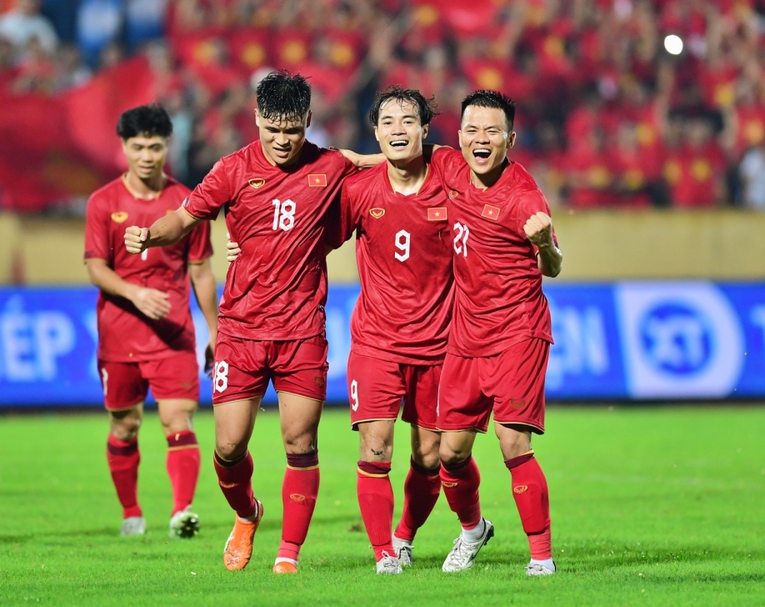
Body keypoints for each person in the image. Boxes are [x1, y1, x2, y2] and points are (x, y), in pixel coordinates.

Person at [124, 71, 373, 574]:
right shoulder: (233, 169)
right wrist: (150, 235)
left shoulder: (332, 165)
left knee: (301, 443)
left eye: (293, 131)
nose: (282, 142)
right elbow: (186, 215)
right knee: (228, 446)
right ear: (257, 119)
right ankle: (248, 513)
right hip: (240, 330)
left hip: (303, 330)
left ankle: (289, 554)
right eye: (273, 130)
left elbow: (389, 162)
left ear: (308, 122)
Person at [432, 90, 562, 576]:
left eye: (492, 131)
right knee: (450, 453)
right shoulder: (448, 167)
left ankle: (541, 558)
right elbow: (397, 156)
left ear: (509, 139)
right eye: (472, 129)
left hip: (517, 331)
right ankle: (472, 530)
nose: (480, 139)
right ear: (459, 134)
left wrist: (544, 243)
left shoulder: (525, 196)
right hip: (465, 333)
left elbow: (554, 267)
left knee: (513, 444)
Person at [326, 87, 454, 575]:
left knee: (430, 456)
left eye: (408, 121)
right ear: (376, 132)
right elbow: (313, 241)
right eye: (388, 121)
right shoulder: (359, 192)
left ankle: (404, 536)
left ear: (424, 129)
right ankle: (384, 554)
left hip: (440, 343)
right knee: (375, 445)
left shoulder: (449, 179)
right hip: (377, 341)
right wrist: (245, 251)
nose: (398, 129)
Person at [83, 103, 218, 538]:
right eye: (138, 147)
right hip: (119, 331)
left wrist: (216, 329)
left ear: (167, 147)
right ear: (123, 147)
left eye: (155, 147)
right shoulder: (102, 202)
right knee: (124, 423)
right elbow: (96, 267)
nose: (146, 156)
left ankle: (182, 512)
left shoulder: (187, 202)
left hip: (174, 332)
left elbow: (199, 269)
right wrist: (135, 293)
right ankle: (131, 513)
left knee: (179, 419)